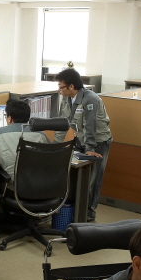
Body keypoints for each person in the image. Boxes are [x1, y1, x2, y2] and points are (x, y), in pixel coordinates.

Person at [54, 68, 111, 222]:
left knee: (93, 180)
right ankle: (76, 209)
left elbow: (90, 125)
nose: (59, 90)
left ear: (71, 86)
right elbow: (62, 124)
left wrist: (90, 149)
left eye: (61, 87)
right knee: (76, 176)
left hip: (98, 142)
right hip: (81, 139)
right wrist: (55, 147)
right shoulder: (66, 99)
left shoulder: (90, 99)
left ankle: (89, 213)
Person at [0, 99, 49, 209]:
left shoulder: (0, 133)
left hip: (14, 190)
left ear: (9, 118)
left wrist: (1, 153)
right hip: (42, 187)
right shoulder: (41, 134)